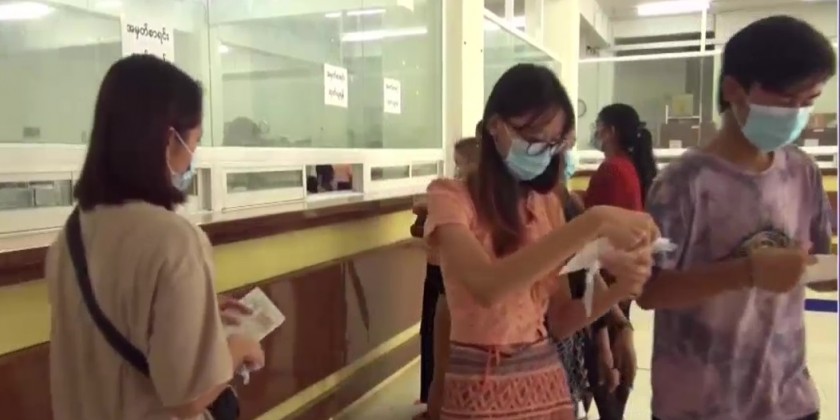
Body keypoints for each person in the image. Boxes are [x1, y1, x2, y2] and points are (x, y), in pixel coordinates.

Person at [424, 63, 660, 419]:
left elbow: (560, 321)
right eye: (535, 140)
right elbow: (487, 286)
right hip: (480, 388)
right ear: (495, 127)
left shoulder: (546, 205)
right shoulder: (450, 198)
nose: (544, 154)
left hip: (545, 387)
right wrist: (592, 223)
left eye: (552, 144)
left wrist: (618, 289)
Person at [638, 16, 837, 420]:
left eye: (810, 101)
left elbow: (819, 271)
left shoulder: (802, 172)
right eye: (786, 101)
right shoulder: (683, 183)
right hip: (700, 404)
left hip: (788, 399)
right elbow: (649, 292)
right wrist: (745, 272)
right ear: (734, 90)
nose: (798, 114)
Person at [45, 55, 265, 420]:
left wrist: (196, 310)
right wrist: (239, 349)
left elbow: (117, 321)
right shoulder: (176, 241)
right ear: (169, 140)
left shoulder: (69, 239)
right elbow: (189, 396)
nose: (193, 158)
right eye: (195, 142)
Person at [585, 103, 657, 418]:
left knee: (604, 359)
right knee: (614, 351)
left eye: (598, 126)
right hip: (618, 275)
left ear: (610, 131)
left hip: (605, 277)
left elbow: (600, 230)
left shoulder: (612, 169)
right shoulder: (628, 167)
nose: (595, 133)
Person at [413, 136, 480, 420]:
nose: (456, 171)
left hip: (449, 282)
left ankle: (438, 405)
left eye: (459, 164)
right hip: (442, 279)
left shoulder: (460, 198)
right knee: (438, 350)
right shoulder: (451, 195)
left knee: (443, 353)